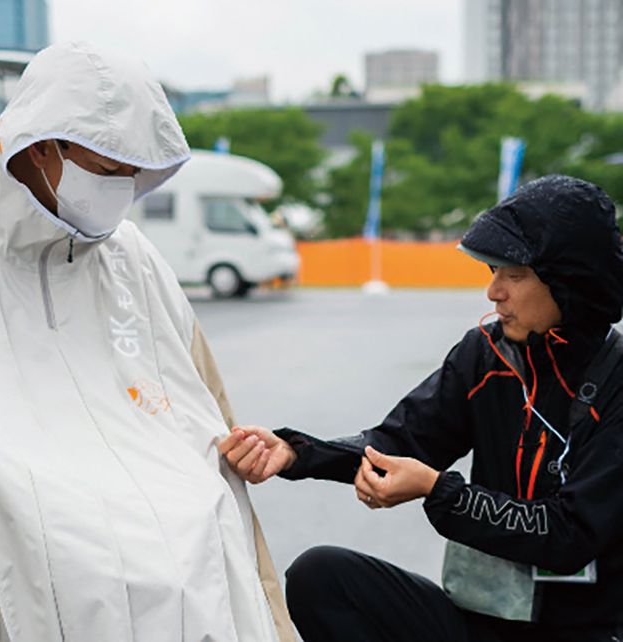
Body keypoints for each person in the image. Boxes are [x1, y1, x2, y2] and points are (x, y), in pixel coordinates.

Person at [220, 174, 623, 641]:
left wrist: (439, 490)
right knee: (321, 577)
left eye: (513, 275)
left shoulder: (615, 383)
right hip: (481, 623)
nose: (494, 293)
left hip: (585, 633)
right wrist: (295, 453)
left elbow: (567, 536)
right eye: (492, 272)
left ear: (570, 284)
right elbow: (401, 441)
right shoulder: (486, 356)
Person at [0, 41, 295, 642]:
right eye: (107, 170)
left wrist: (240, 452)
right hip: (38, 520)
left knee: (202, 533)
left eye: (134, 174)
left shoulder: (135, 258)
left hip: (166, 518)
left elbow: (205, 401)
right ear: (43, 145)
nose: (121, 188)